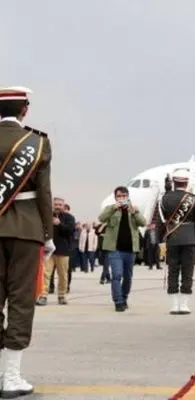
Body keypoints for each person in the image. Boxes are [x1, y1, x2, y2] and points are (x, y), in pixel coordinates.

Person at [0, 86, 54, 397]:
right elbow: (44, 194)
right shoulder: (37, 142)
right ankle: (12, 378)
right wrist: (47, 234)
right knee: (20, 301)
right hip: (26, 229)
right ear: (25, 110)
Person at [158, 168, 195, 315]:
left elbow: (161, 221)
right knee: (187, 270)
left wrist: (161, 239)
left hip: (172, 237)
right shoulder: (193, 198)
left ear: (173, 182)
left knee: (173, 270)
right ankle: (184, 305)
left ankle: (173, 305)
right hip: (190, 237)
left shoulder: (165, 198)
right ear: (186, 183)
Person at [98, 186, 147, 312]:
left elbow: (143, 222)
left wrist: (135, 212)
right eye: (119, 196)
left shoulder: (133, 210)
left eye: (124, 196)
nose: (122, 198)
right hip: (115, 249)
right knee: (116, 275)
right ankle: (118, 301)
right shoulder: (111, 209)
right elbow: (101, 218)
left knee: (128, 277)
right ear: (115, 198)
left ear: (128, 196)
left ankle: (124, 298)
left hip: (130, 250)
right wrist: (114, 207)